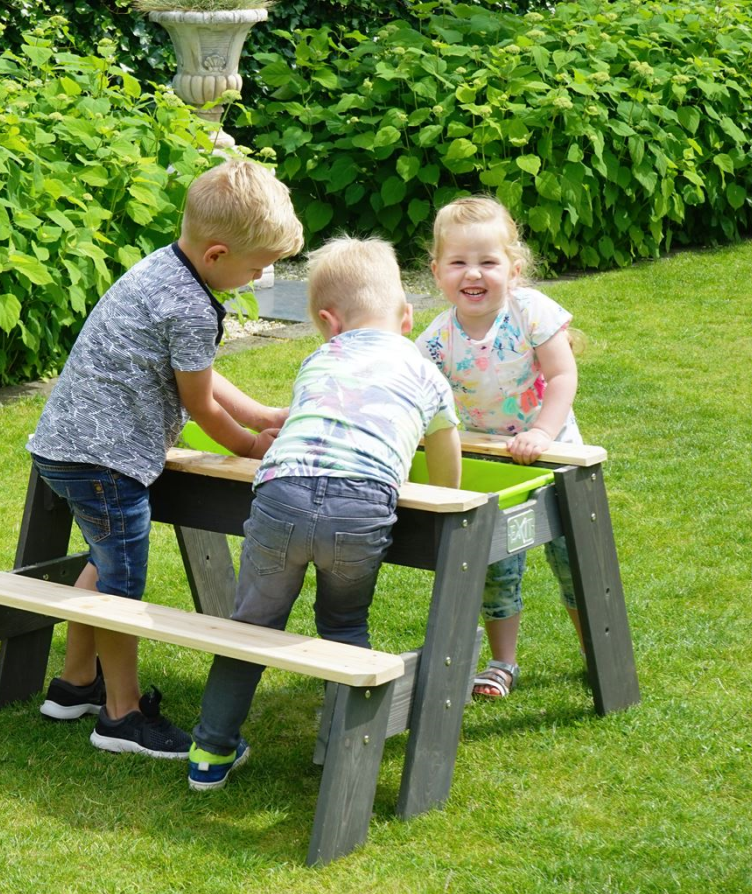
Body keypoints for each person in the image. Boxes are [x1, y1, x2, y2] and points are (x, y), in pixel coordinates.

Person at [26, 159, 304, 759]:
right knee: (122, 583)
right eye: (258, 267)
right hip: (106, 463)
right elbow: (199, 404)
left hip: (67, 447)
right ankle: (121, 718)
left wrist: (261, 414)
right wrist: (252, 447)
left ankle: (75, 684)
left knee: (105, 563)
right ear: (217, 255)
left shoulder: (162, 270)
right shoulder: (190, 305)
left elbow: (196, 371)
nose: (265, 275)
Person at [186, 237, 462, 790]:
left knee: (252, 626)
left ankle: (209, 754)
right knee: (343, 624)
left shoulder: (319, 359)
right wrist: (443, 503)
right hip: (359, 507)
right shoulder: (425, 371)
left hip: (281, 493)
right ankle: (341, 749)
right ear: (407, 316)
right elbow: (445, 453)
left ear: (329, 323)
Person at [417, 195, 584, 700]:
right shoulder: (435, 341)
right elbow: (420, 400)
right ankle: (502, 661)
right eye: (459, 262)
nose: (474, 273)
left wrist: (544, 434)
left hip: (556, 458)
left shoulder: (530, 310)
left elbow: (562, 375)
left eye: (488, 262)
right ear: (438, 272)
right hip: (494, 464)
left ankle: (593, 646)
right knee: (496, 565)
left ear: (513, 269)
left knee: (572, 558)